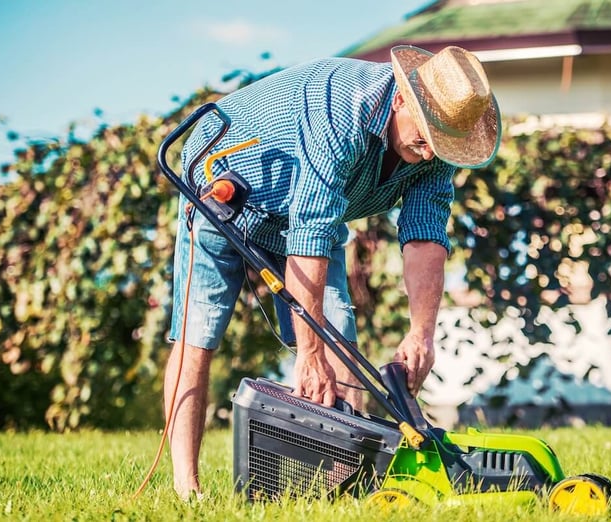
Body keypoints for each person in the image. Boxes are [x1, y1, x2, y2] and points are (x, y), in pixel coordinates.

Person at [164, 44, 501, 499]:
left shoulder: (438, 150)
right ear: (402, 98)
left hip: (307, 219)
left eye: (438, 145)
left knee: (340, 343)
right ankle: (188, 489)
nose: (426, 154)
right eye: (423, 139)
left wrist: (422, 333)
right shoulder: (341, 110)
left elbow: (424, 236)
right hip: (223, 183)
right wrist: (307, 353)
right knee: (197, 337)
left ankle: (343, 493)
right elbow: (310, 230)